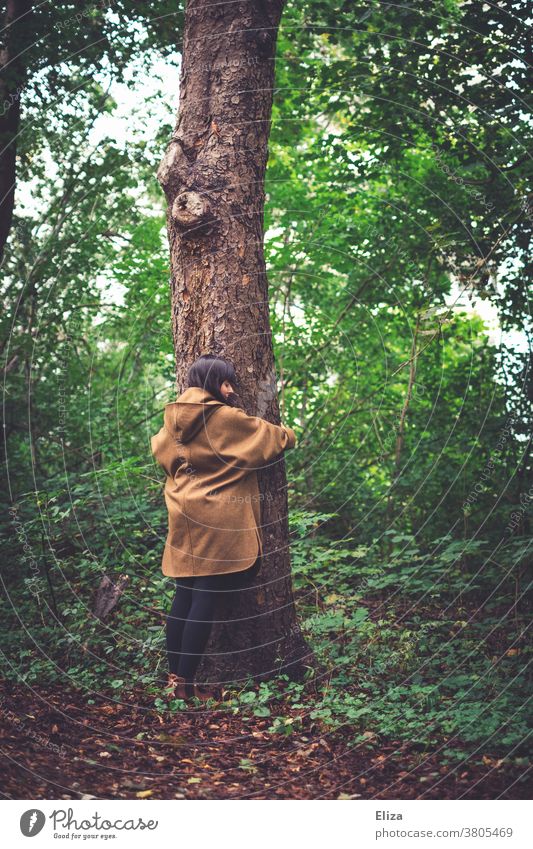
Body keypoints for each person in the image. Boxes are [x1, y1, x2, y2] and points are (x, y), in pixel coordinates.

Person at [150, 354, 297, 703]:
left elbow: (160, 452)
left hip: (184, 515)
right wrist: (290, 434)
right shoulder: (224, 417)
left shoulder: (171, 419)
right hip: (218, 521)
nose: (231, 390)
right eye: (226, 383)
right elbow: (269, 439)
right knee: (205, 598)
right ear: (213, 383)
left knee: (184, 594)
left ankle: (175, 681)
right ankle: (186, 684)